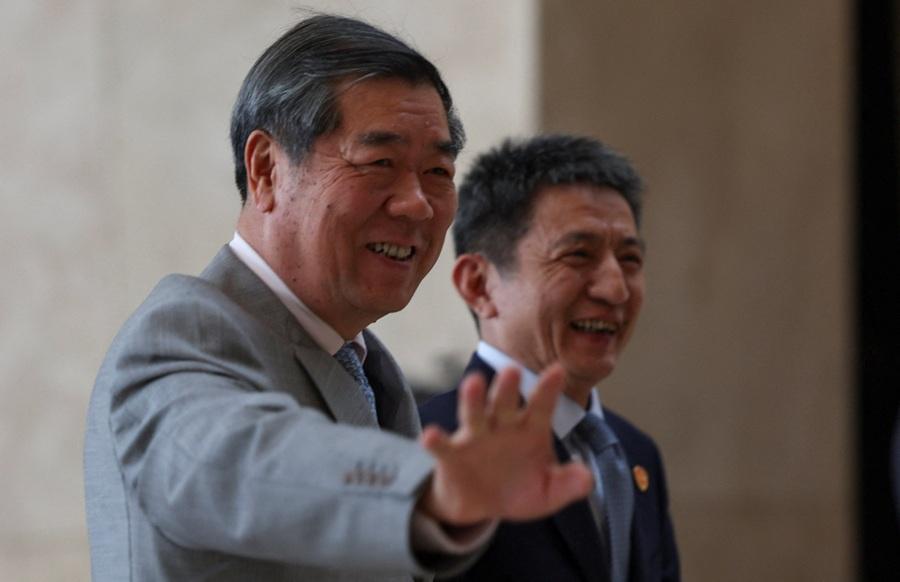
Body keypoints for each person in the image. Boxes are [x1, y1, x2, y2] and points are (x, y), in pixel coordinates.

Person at [83, 16, 594, 582]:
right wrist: (429, 488)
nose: (418, 204)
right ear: (266, 170)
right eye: (379, 164)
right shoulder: (183, 333)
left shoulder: (365, 366)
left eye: (437, 171)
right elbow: (235, 458)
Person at [419, 135, 680, 582]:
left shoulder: (636, 453)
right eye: (578, 255)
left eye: (630, 259)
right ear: (479, 284)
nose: (616, 289)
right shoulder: (429, 442)